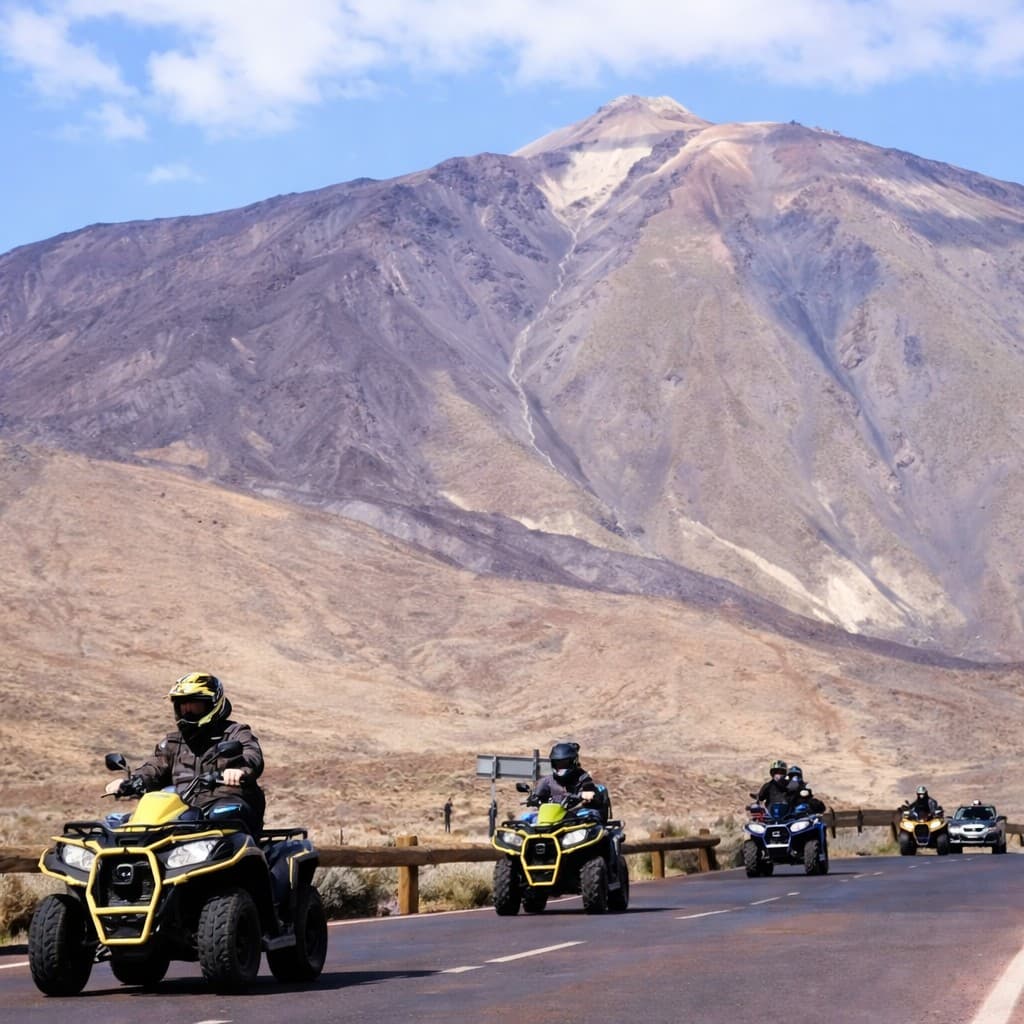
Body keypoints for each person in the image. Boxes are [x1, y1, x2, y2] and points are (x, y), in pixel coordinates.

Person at [105, 672, 266, 833]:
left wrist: (239, 770)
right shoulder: (173, 742)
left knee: (226, 813)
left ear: (213, 704)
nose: (188, 711)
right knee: (115, 824)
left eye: (195, 705)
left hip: (222, 805)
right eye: (183, 705)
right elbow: (154, 767)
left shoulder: (235, 732)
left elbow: (252, 755)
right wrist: (133, 781)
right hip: (181, 811)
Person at [534, 741, 610, 820]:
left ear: (573, 761)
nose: (560, 767)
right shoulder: (547, 780)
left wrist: (586, 795)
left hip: (576, 815)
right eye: (557, 763)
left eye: (564, 763)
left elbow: (591, 792)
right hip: (552, 817)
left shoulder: (583, 778)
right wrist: (533, 798)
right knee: (528, 818)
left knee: (592, 816)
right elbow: (537, 795)